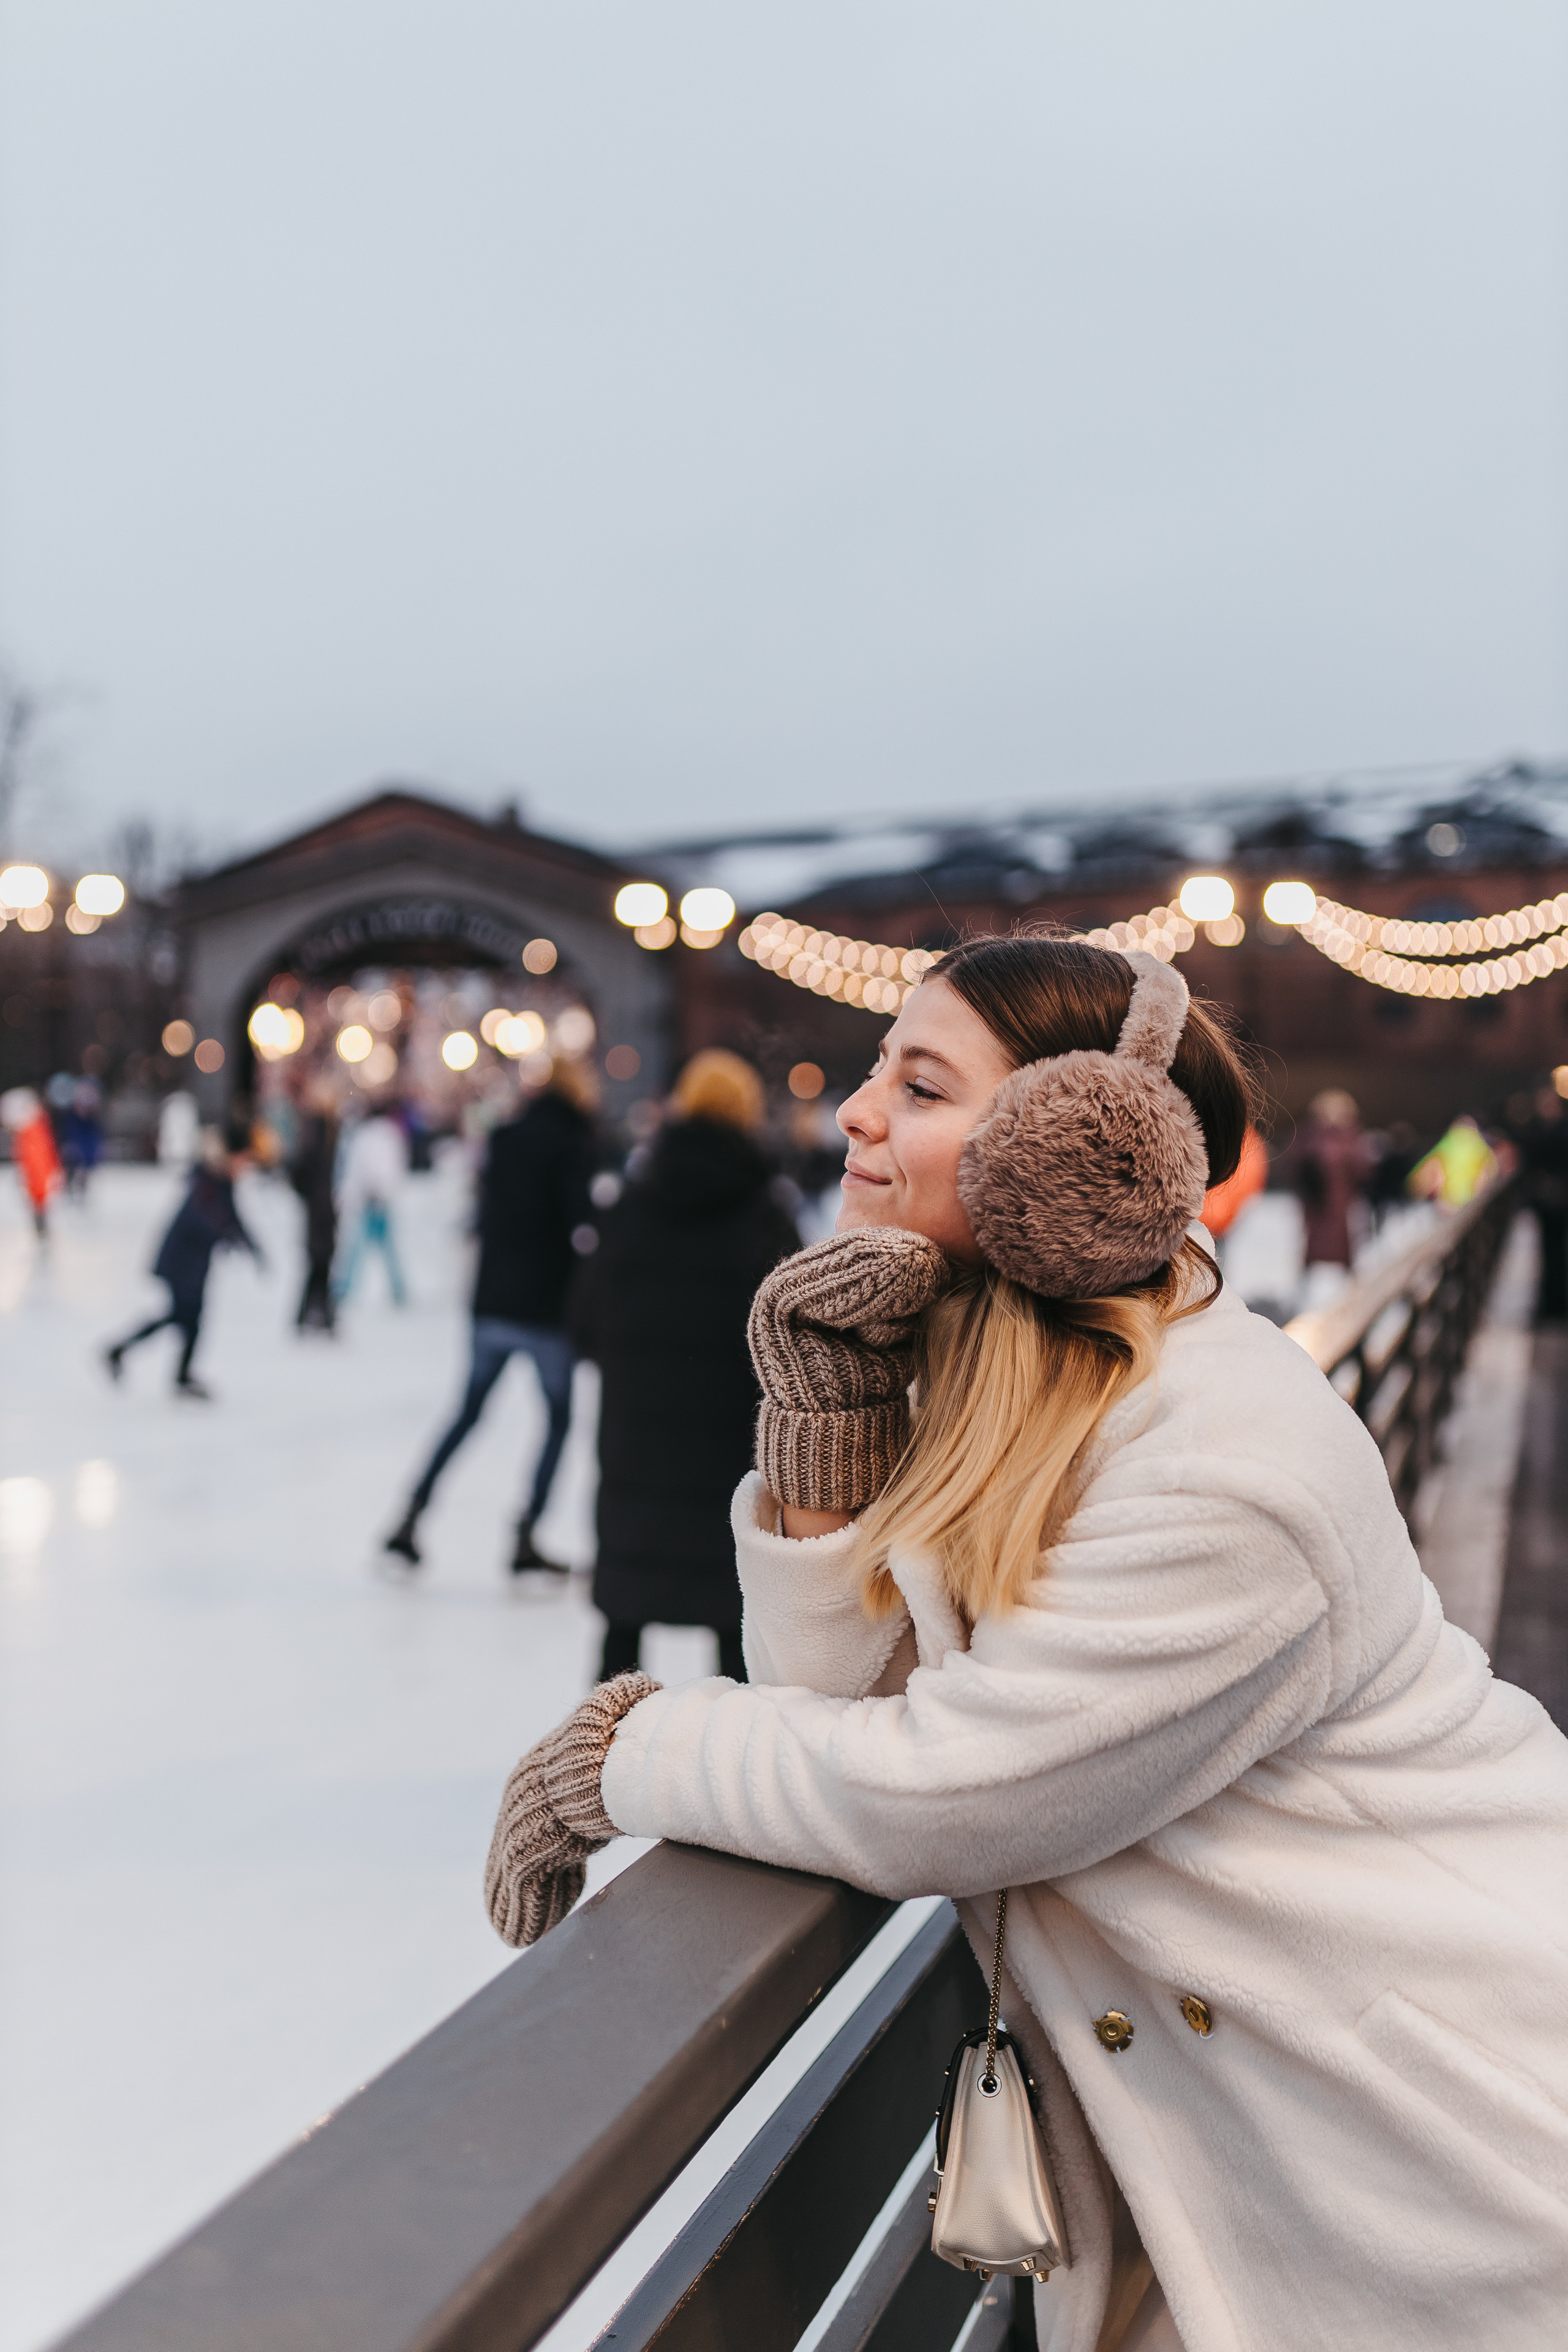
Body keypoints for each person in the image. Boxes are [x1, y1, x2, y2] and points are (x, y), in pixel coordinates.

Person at [486, 935, 1568, 2352]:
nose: (857, 1113)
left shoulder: (1223, 1457)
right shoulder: (1004, 1388)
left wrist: (620, 1753)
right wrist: (829, 1436)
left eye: (919, 1084)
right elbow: (831, 1702)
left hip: (1443, 2164)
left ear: (1069, 1147)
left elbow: (946, 1788)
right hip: (1240, 2151)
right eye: (877, 1072)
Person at [571, 1049, 799, 1683]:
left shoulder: (630, 1204)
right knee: (733, 1625)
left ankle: (601, 1764)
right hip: (727, 1448)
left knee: (624, 1616)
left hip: (634, 1443)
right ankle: (726, 1771)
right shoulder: (765, 1215)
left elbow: (584, 1321)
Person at [385, 1063, 597, 1573]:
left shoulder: (505, 1139)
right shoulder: (572, 1146)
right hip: (545, 1307)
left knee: (467, 1412)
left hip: (493, 1301)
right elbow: (580, 1226)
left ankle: (410, 1515)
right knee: (558, 1419)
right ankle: (526, 1534)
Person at [105, 1129, 261, 1396]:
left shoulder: (221, 1183)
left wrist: (253, 1248)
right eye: (242, 1162)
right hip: (181, 1263)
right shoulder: (205, 1181)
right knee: (183, 1317)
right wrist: (228, 1237)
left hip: (194, 1264)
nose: (245, 1170)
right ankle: (126, 1354)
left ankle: (159, 1366)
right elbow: (204, 1219)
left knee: (186, 1318)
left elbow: (233, 1219)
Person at [334, 1101, 409, 1306]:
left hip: (373, 1200)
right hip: (376, 1199)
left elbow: (359, 1169)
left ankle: (346, 1289)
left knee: (360, 1247)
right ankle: (397, 1290)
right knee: (381, 1248)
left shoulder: (371, 1136)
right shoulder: (388, 1135)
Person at [289, 1080, 340, 1333]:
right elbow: (305, 1170)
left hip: (322, 1210)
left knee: (321, 1265)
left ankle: (320, 1316)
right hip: (320, 1211)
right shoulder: (318, 1132)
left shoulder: (324, 1131)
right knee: (318, 1264)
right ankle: (318, 1316)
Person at [2, 1087, 62, 1239]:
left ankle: (41, 1222)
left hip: (38, 1183)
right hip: (38, 1183)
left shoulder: (32, 1132)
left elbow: (39, 1162)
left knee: (39, 1199)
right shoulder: (33, 1131)